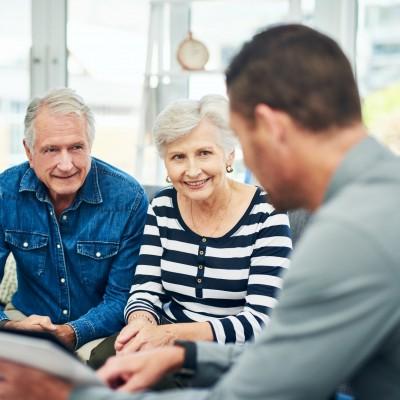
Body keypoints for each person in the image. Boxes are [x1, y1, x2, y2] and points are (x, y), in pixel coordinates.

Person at [1, 23, 400, 400]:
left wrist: (72, 395)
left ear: (271, 127)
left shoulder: (349, 235)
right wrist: (184, 354)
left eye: (239, 143)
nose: (246, 168)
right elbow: (296, 357)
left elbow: (259, 391)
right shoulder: (378, 199)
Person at [89, 95, 292, 366]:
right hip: (161, 335)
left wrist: (170, 335)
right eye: (178, 157)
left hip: (230, 353)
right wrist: (142, 324)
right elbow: (144, 288)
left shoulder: (267, 211)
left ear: (229, 154)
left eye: (204, 153)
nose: (192, 170)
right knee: (103, 361)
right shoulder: (163, 205)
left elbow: (261, 320)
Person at [0, 88, 148, 358]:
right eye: (51, 150)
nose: (66, 164)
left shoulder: (128, 198)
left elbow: (121, 298)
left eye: (76, 147)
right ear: (29, 151)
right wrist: (11, 326)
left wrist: (72, 332)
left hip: (99, 331)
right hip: (24, 319)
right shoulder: (4, 192)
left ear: (89, 145)